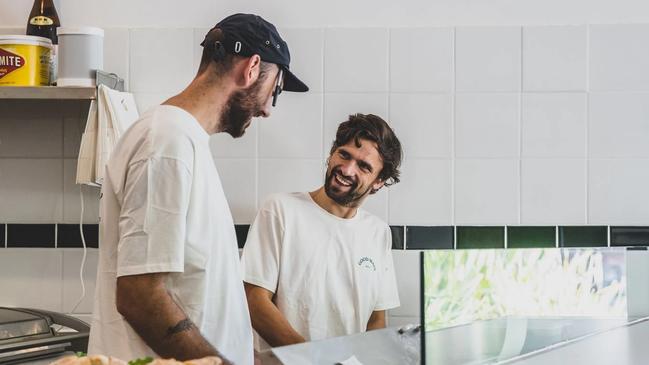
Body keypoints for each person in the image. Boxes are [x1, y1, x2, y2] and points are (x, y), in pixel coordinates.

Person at [87, 13, 308, 365]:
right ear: (252, 68)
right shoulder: (167, 140)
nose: (268, 108)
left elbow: (195, 294)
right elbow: (139, 295)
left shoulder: (184, 140)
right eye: (275, 90)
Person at [241, 114, 403, 348]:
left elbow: (376, 319)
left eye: (363, 166)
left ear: (379, 181)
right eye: (344, 154)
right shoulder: (280, 209)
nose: (347, 170)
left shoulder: (378, 232)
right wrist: (311, 358)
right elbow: (254, 298)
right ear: (332, 153)